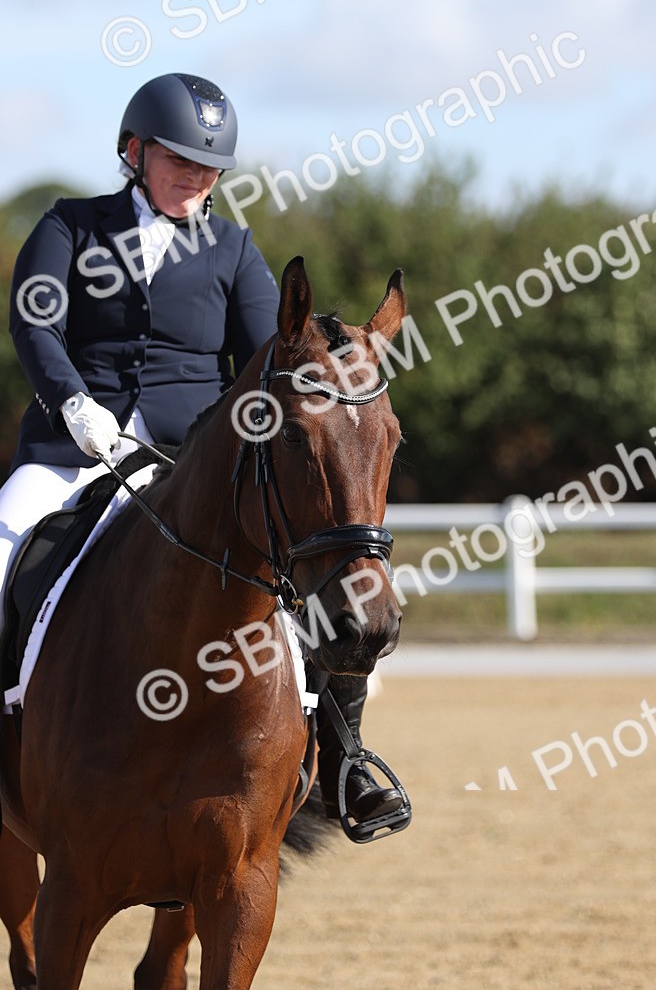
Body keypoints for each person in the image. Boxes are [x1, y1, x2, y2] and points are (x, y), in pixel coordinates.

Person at [3, 71, 403, 832]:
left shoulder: (232, 249)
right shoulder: (70, 227)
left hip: (192, 459)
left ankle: (344, 756)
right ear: (134, 150)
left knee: (309, 570)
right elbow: (35, 326)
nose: (194, 177)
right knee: (0, 550)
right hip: (74, 449)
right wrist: (74, 402)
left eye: (208, 166)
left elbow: (271, 354)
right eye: (178, 159)